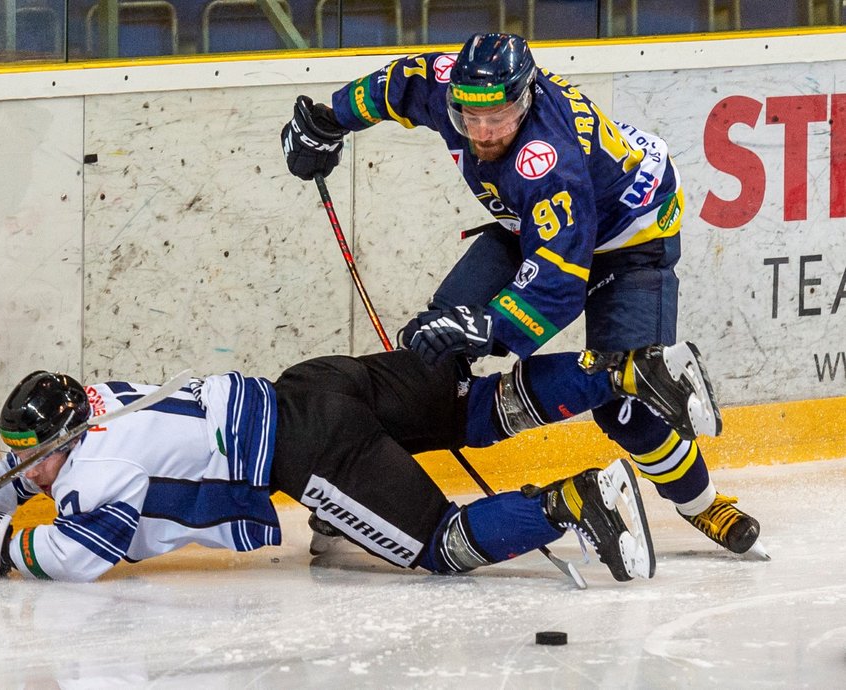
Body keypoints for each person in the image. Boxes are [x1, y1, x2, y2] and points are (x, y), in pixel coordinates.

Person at [280, 33, 765, 558]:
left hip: (631, 237)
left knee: (628, 401)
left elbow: (560, 279)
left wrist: (492, 327)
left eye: (500, 118)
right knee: (433, 349)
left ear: (527, 97)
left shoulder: (548, 160)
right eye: (471, 118)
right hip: (534, 227)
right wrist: (329, 121)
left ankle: (703, 504)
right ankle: (365, 491)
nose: (484, 132)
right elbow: (397, 84)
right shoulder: (453, 88)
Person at [0, 349, 663, 583]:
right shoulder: (99, 403)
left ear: (65, 441)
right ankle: (626, 369)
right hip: (315, 383)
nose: (25, 469)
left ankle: (576, 500)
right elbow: (37, 467)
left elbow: (78, 551)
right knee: (477, 407)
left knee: (438, 545)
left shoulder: (93, 471)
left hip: (312, 451)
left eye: (31, 457)